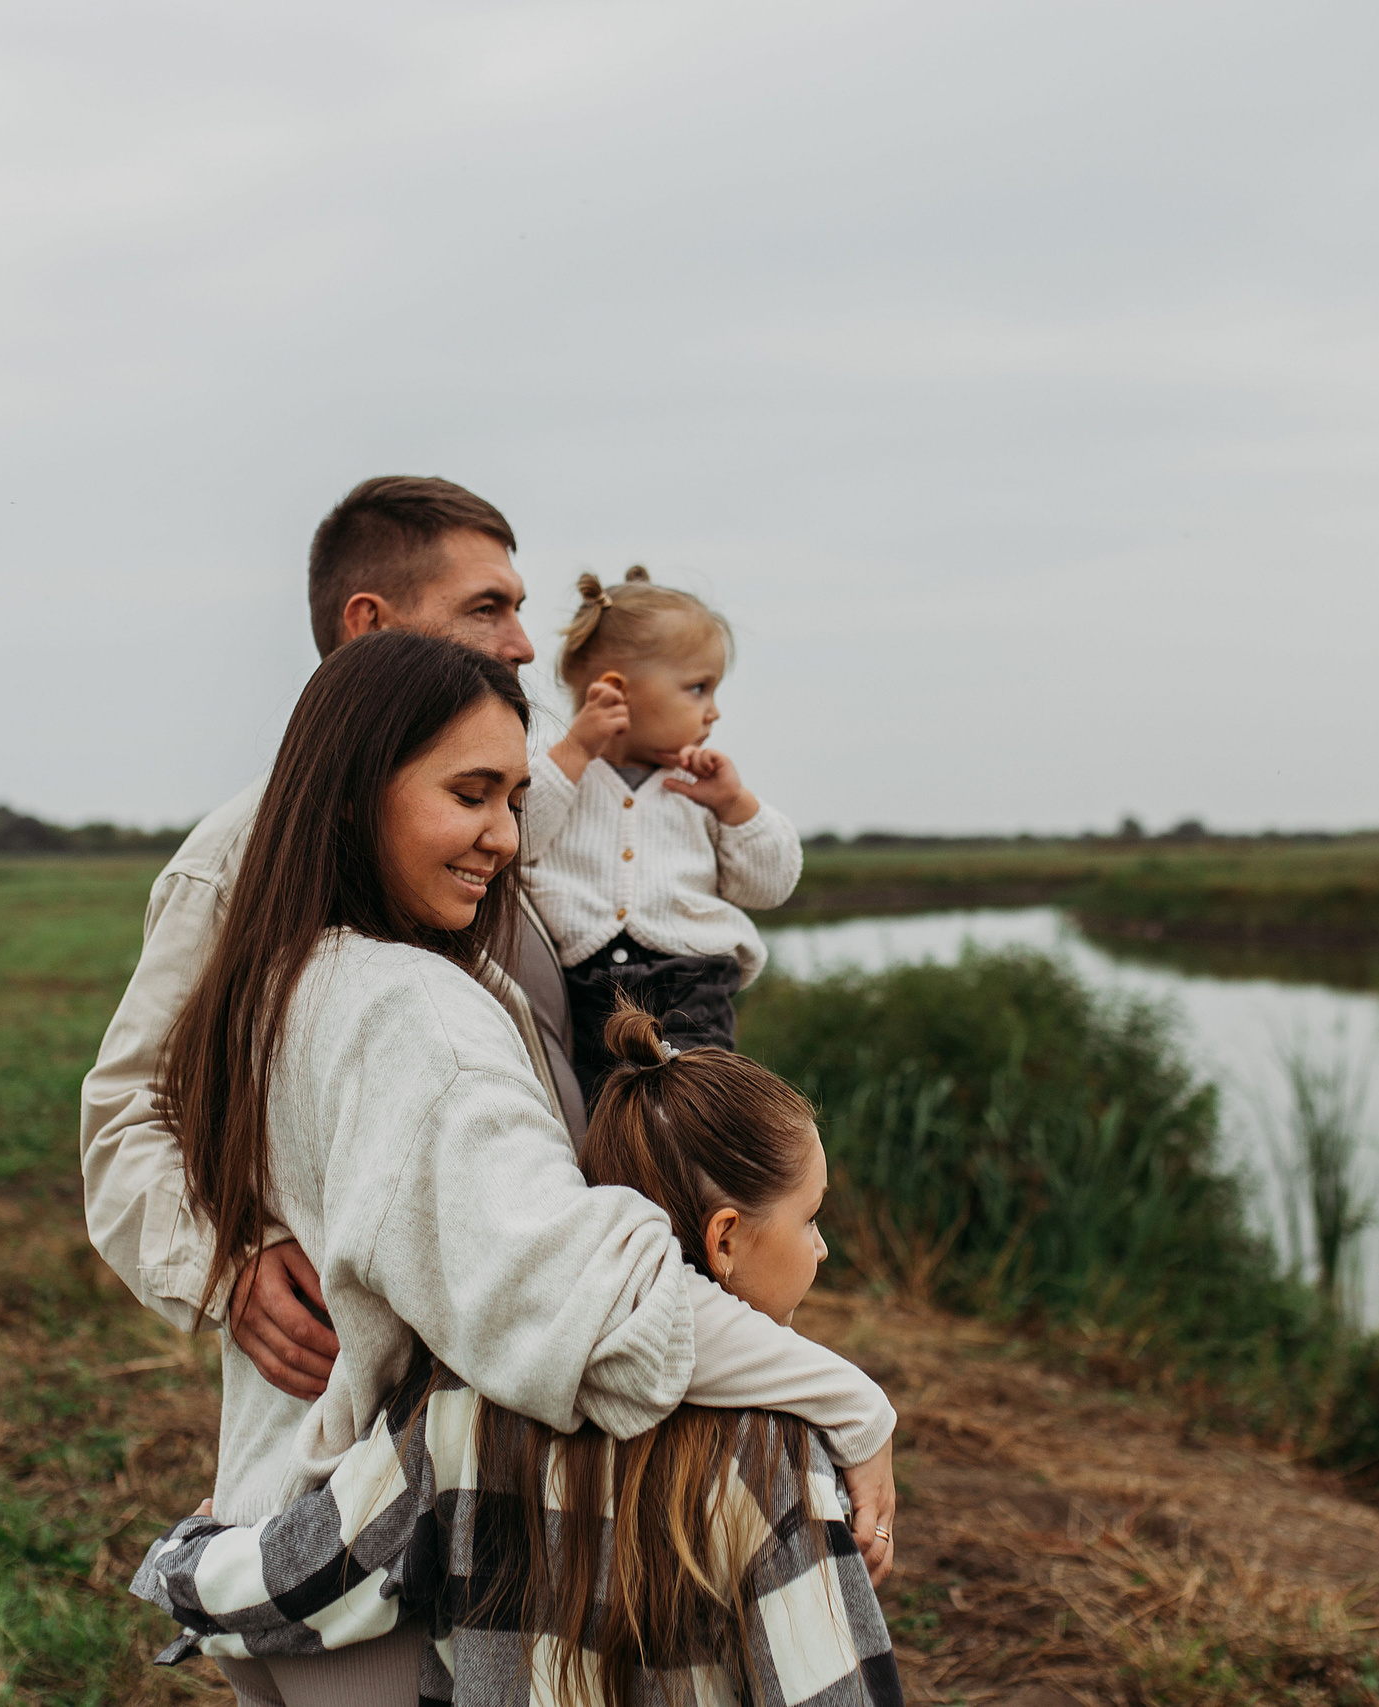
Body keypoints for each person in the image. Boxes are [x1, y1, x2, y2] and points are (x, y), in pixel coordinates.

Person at [110, 628, 894, 1707]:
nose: (504, 837)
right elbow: (585, 1305)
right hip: (383, 1592)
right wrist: (850, 1405)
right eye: (469, 794)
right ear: (349, 798)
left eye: (517, 798)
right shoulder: (412, 1014)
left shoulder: (274, 981)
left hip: (281, 1535)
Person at [132, 1006, 901, 1707]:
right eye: (811, 1217)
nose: (823, 1247)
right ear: (725, 1237)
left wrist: (185, 1556)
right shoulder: (777, 1453)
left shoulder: (462, 1406)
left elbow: (314, 1578)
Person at [82, 477, 586, 1405]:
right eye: (488, 607)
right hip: (367, 1405)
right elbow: (130, 1114)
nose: (522, 642)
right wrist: (226, 1264)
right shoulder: (237, 860)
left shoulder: (515, 814)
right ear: (370, 624)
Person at [523, 565, 802, 1104]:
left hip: (692, 980)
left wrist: (735, 806)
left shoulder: (702, 787)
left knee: (696, 1113)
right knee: (604, 1114)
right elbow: (518, 839)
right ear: (615, 690)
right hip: (586, 989)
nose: (713, 711)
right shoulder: (558, 770)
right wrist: (576, 752)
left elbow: (769, 886)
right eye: (698, 688)